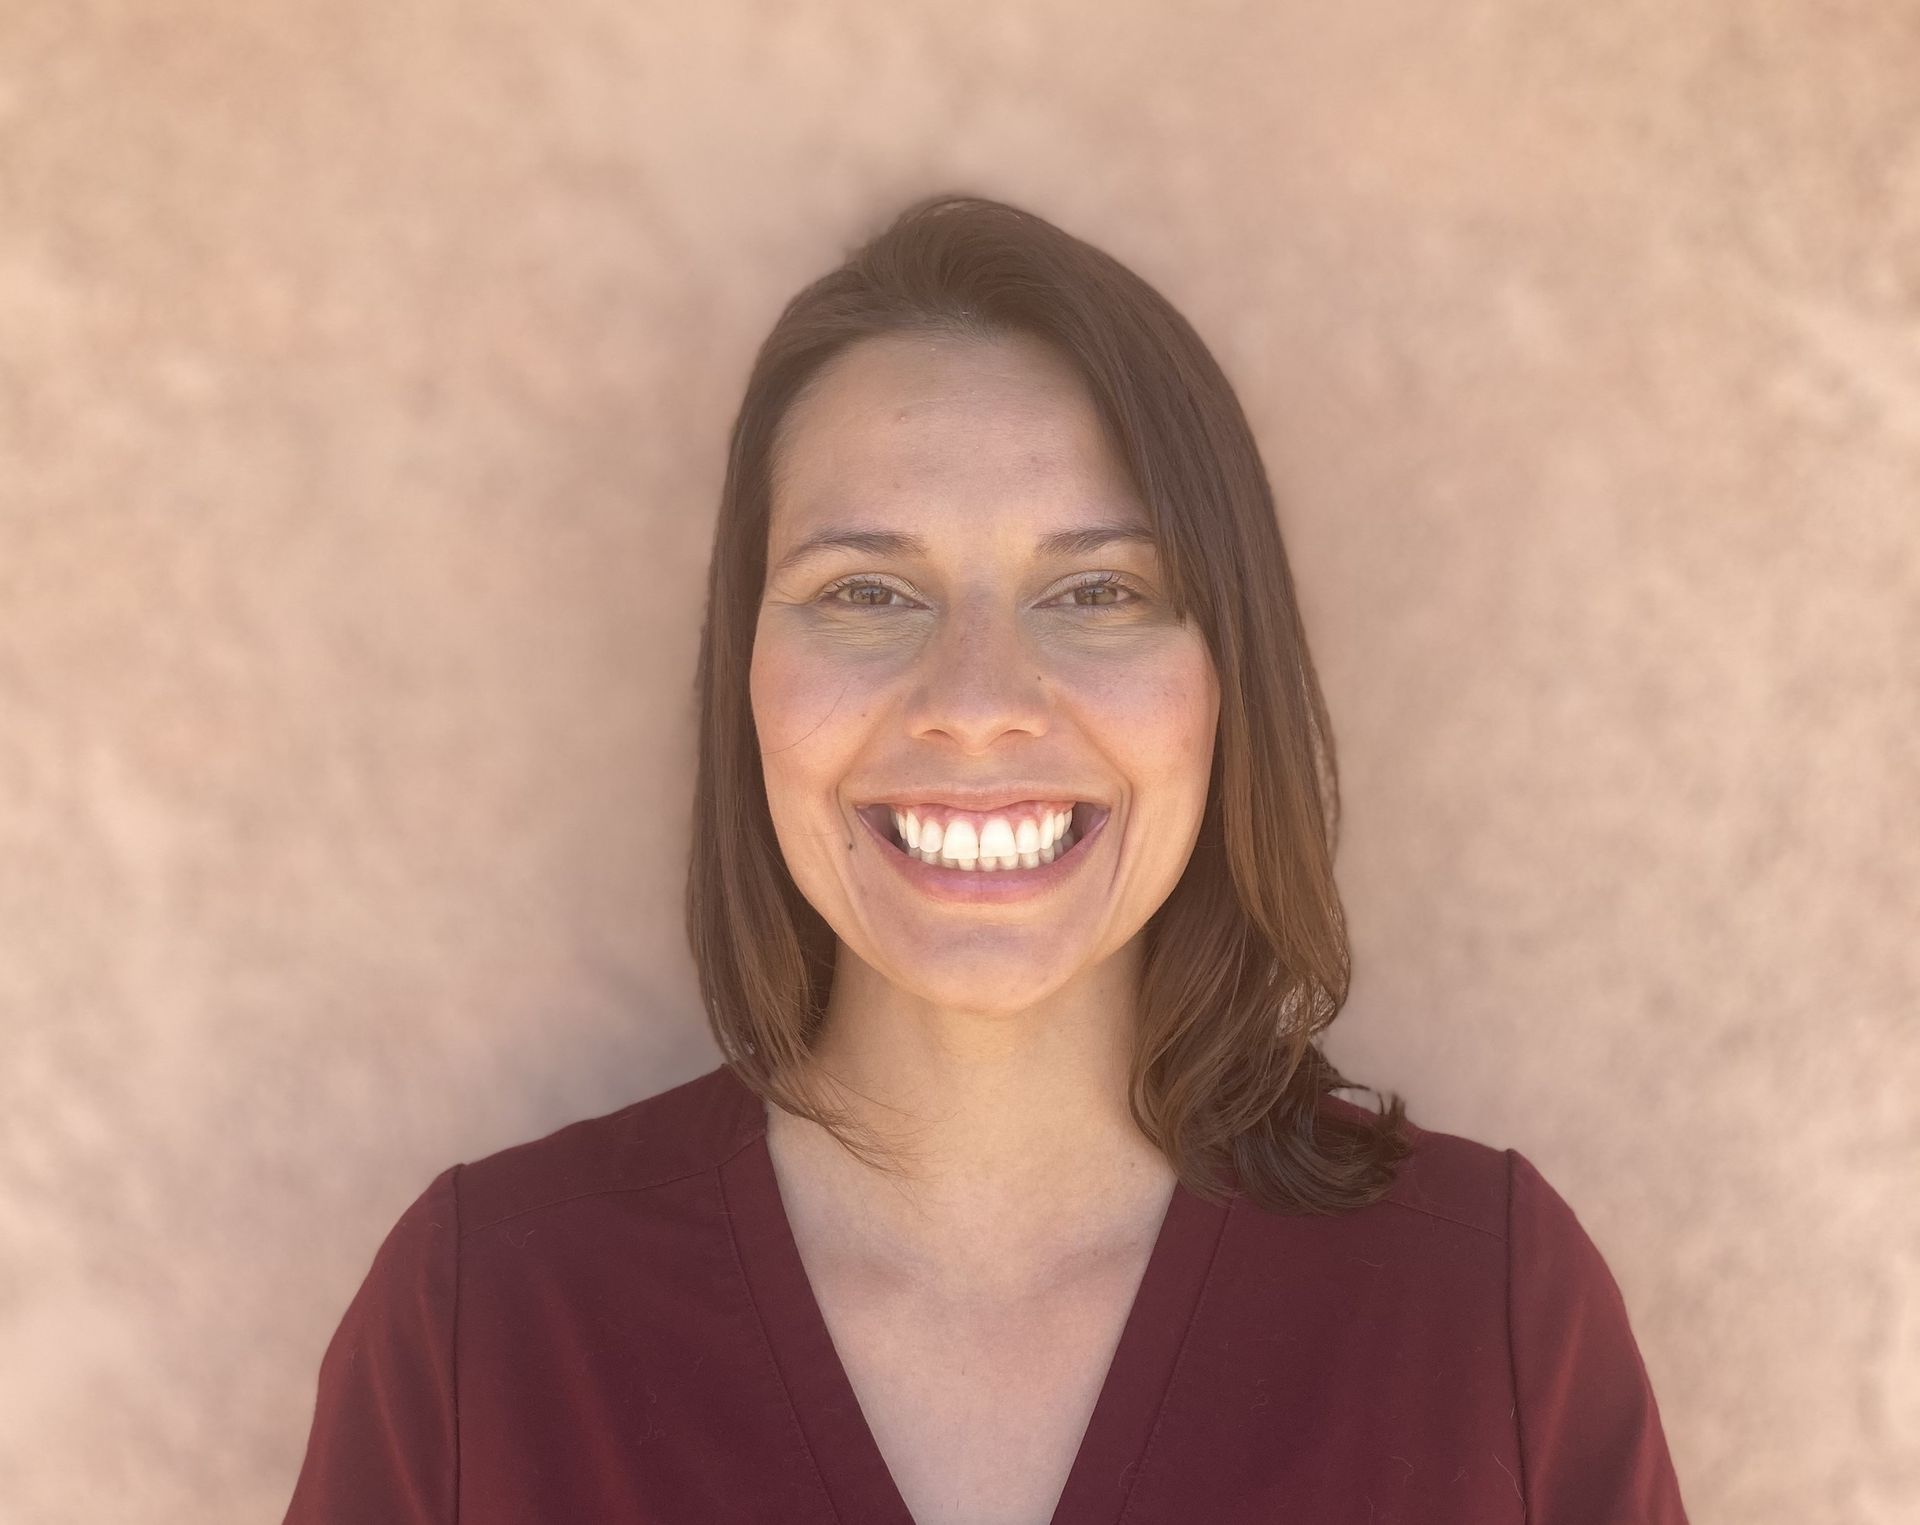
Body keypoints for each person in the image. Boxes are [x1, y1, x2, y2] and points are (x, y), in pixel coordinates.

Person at [280, 193, 1690, 1524]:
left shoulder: (1482, 1306)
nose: (973, 696)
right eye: (867, 591)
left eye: (1096, 590)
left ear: (1224, 676)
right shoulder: (488, 1325)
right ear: (748, 675)